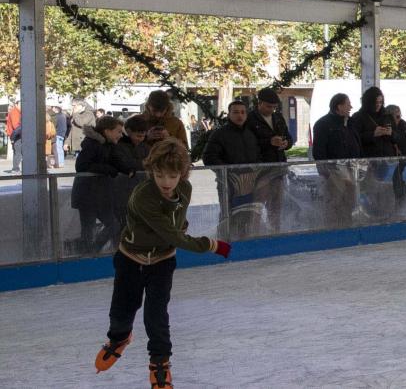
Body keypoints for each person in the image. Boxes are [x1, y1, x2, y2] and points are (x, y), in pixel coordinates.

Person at [93, 138, 232, 388]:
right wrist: (211, 245)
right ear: (151, 172)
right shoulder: (143, 196)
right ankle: (119, 338)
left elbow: (178, 222)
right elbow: (172, 234)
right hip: (131, 259)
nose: (165, 183)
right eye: (159, 175)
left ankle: (160, 362)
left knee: (156, 316)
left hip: (162, 262)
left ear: (182, 173)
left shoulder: (185, 190)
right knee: (122, 312)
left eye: (172, 176)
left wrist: (182, 226)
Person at [72, 116, 138, 253]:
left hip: (101, 195)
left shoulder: (109, 145)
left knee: (113, 225)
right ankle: (87, 253)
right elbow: (82, 165)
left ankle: (93, 249)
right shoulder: (91, 144)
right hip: (87, 195)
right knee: (88, 228)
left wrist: (128, 169)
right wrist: (110, 170)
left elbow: (116, 161)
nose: (121, 135)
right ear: (107, 131)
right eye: (118, 132)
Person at [202, 102, 261, 238]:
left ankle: (244, 241)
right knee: (228, 215)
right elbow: (209, 157)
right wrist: (227, 172)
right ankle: (225, 242)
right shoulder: (220, 134)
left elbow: (258, 156)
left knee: (247, 214)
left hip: (249, 183)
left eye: (242, 112)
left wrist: (255, 170)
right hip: (228, 183)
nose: (239, 115)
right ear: (229, 114)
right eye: (235, 112)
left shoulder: (250, 134)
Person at [311, 94, 362, 226]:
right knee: (335, 202)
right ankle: (333, 228)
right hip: (334, 170)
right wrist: (326, 171)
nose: (351, 107)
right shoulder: (323, 124)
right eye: (347, 104)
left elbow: (357, 144)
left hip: (351, 169)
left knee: (350, 201)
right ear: (339, 106)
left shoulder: (350, 123)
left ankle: (346, 225)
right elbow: (319, 151)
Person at [248, 88, 291, 232]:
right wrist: (269, 141)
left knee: (277, 202)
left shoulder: (278, 117)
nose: (271, 110)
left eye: (274, 107)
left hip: (278, 166)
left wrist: (286, 143)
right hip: (261, 168)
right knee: (258, 202)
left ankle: (275, 229)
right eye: (268, 106)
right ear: (259, 103)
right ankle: (255, 231)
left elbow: (288, 136)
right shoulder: (251, 119)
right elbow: (249, 143)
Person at [114, 116, 151, 235]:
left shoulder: (145, 147)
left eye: (143, 136)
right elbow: (122, 163)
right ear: (129, 132)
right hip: (122, 192)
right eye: (138, 136)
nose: (141, 139)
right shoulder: (119, 145)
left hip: (140, 191)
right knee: (122, 224)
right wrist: (142, 164)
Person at [4, 100, 19, 173]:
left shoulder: (16, 112)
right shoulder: (14, 112)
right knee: (17, 152)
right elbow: (16, 125)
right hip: (16, 135)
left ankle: (15, 168)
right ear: (17, 104)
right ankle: (15, 169)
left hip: (15, 134)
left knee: (17, 152)